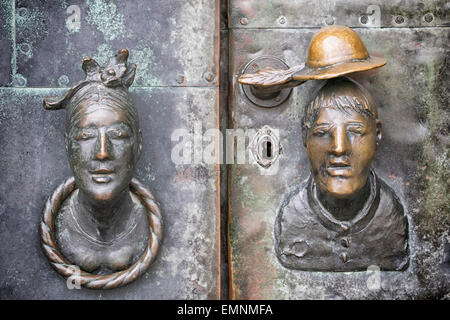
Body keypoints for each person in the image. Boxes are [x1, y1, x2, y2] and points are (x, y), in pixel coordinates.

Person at [274, 77, 409, 271]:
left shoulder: (391, 216)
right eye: (322, 132)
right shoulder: (293, 215)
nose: (338, 148)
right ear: (305, 136)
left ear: (377, 134)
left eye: (355, 131)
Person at [44, 49, 149, 274]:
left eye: (118, 135)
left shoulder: (150, 224)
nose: (102, 152)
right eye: (86, 136)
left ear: (138, 144)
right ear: (68, 145)